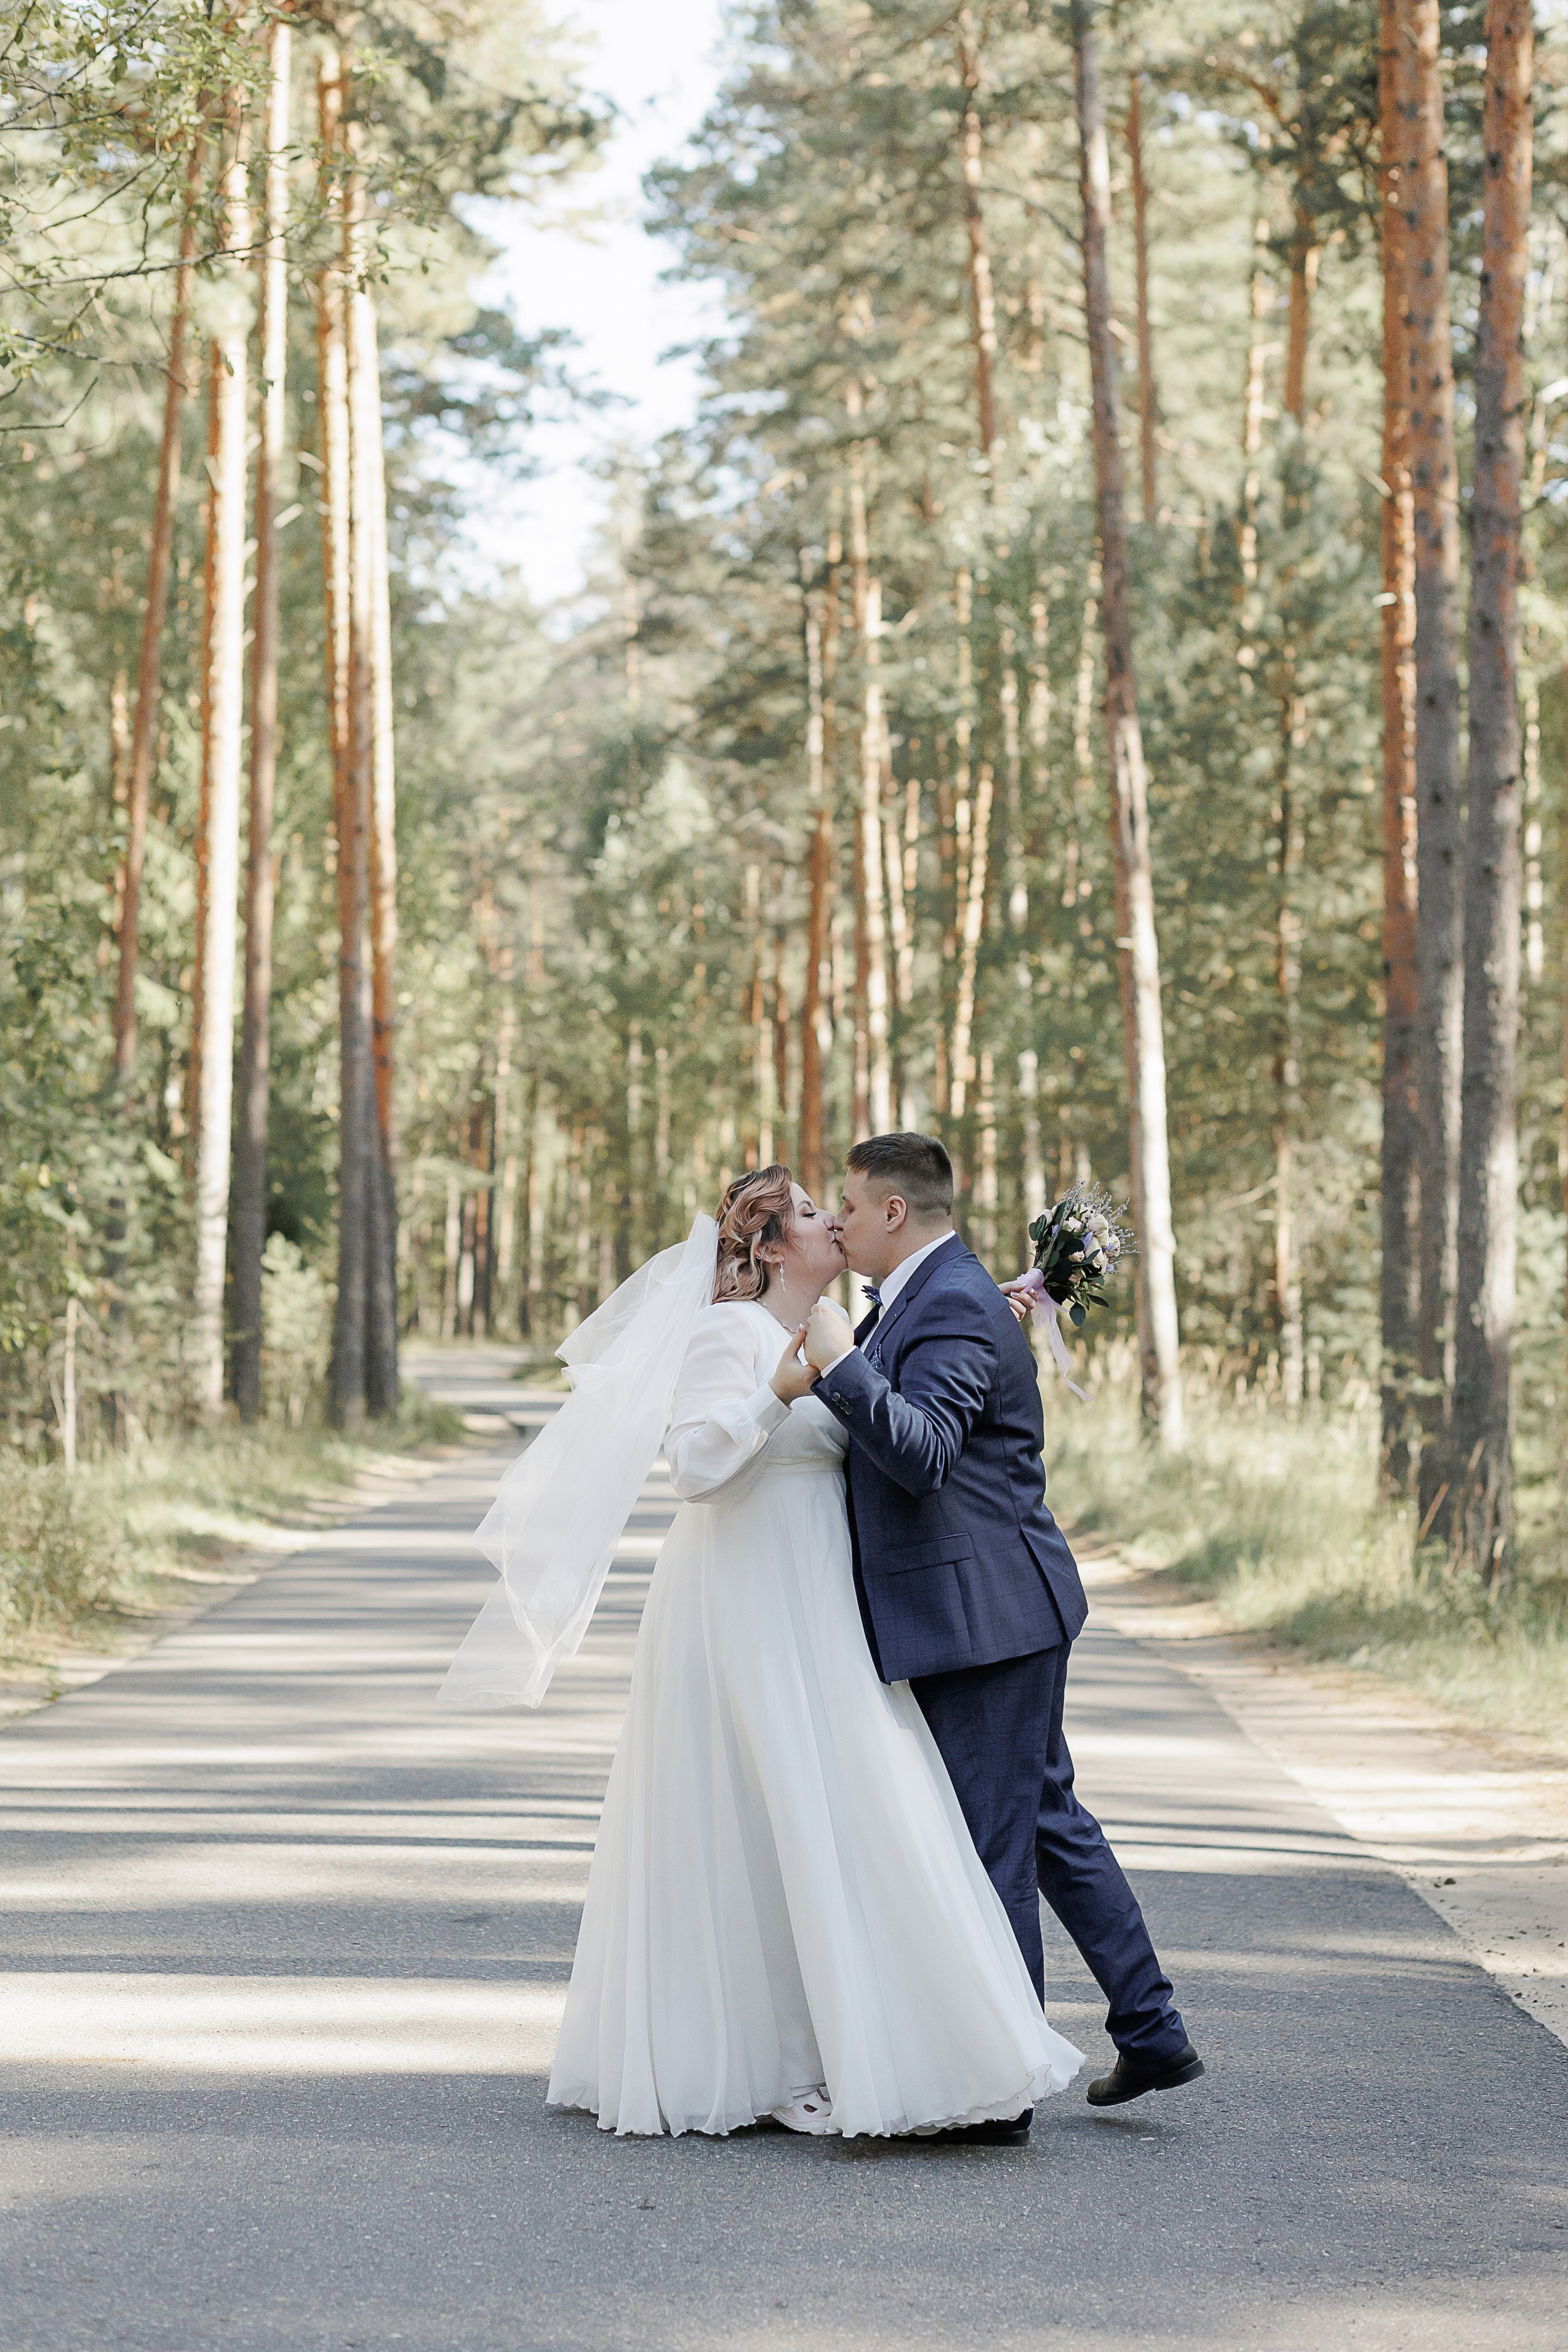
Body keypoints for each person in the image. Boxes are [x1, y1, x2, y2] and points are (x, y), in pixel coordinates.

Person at [448, 1168, 1082, 2140]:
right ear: (774, 1248)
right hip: (742, 1595)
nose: (837, 1224)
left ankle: (858, 2039)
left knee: (849, 1806)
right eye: (815, 1217)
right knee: (759, 1812)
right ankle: (764, 2059)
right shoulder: (725, 1335)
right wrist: (779, 1395)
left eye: (841, 1212)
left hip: (818, 1591)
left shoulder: (841, 1332)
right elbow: (697, 1469)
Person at [801, 1132, 1204, 2125]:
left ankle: (999, 2088)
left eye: (849, 1205)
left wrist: (841, 1366)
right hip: (990, 1605)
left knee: (989, 1848)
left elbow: (926, 1451)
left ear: (895, 1212)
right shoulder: (942, 1297)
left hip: (981, 1617)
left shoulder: (951, 1306)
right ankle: (1150, 2030)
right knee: (1048, 1822)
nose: (839, 1221)